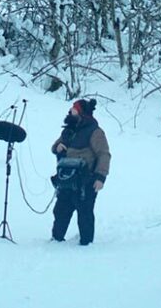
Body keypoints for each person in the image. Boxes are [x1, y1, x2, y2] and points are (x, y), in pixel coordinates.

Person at [50, 98, 111, 245]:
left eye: (74, 108)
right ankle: (56, 240)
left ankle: (86, 245)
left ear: (82, 113)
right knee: (61, 211)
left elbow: (104, 154)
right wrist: (57, 147)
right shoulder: (68, 130)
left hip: (86, 181)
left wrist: (100, 177)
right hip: (65, 180)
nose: (70, 111)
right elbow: (54, 147)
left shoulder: (95, 131)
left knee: (85, 214)